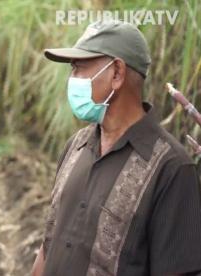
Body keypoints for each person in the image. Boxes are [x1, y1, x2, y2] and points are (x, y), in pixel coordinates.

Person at [31, 20, 201, 276]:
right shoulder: (75, 147)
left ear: (117, 73)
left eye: (79, 69)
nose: (72, 80)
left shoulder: (173, 169)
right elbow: (49, 245)